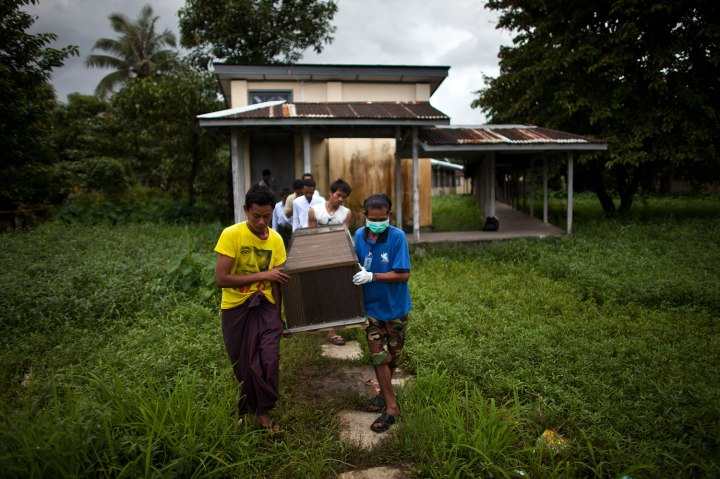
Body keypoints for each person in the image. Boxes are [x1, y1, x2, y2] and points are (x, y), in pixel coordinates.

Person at [214, 184, 290, 431]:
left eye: (267, 216)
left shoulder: (276, 239)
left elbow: (277, 282)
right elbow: (222, 279)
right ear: (246, 210)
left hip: (266, 305)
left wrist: (279, 316)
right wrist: (264, 274)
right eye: (255, 215)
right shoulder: (231, 235)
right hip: (236, 307)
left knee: (268, 359)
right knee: (244, 363)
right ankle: (250, 408)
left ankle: (264, 412)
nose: (261, 221)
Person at [352, 193, 411, 433]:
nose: (378, 222)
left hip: (395, 308)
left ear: (389, 215)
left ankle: (382, 393)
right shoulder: (358, 235)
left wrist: (373, 275)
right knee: (379, 356)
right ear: (365, 216)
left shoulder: (397, 237)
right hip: (371, 308)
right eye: (373, 218)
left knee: (393, 357)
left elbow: (403, 274)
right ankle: (391, 407)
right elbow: (353, 263)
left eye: (383, 217)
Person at [308, 179, 353, 346]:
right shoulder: (315, 211)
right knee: (318, 291)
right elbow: (310, 235)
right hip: (318, 255)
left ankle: (332, 332)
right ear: (330, 193)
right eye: (338, 195)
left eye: (344, 197)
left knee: (334, 292)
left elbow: (344, 236)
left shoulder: (346, 213)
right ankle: (315, 322)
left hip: (336, 256)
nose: (340, 199)